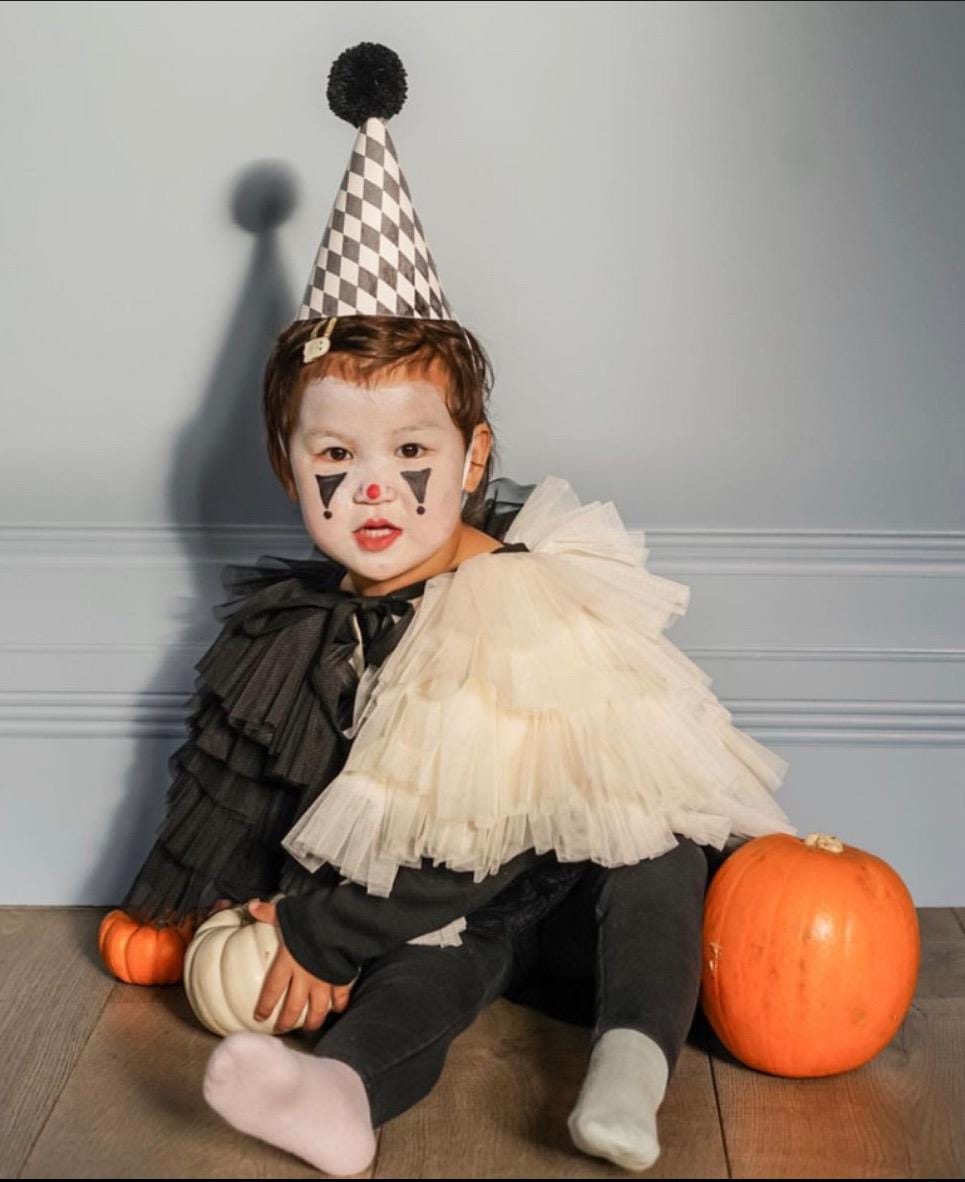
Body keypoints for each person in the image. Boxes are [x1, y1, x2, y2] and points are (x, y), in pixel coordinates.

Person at [117, 43, 798, 1176]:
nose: (373, 489)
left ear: (473, 458)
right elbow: (258, 781)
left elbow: (492, 839)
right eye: (334, 455)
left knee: (659, 848)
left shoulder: (513, 603)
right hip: (447, 912)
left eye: (411, 452)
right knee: (426, 965)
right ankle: (340, 1097)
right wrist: (195, 906)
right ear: (288, 469)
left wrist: (320, 933)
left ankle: (630, 1066)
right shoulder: (309, 625)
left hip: (576, 901)